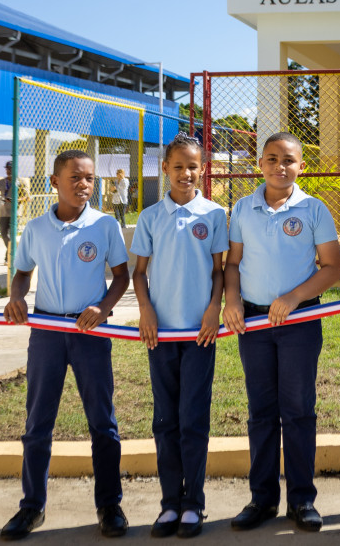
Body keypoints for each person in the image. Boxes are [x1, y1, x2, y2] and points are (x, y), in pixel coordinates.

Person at [0, 150, 131, 541]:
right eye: (75, 177)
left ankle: (109, 505)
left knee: (103, 423)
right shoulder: (36, 228)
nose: (84, 185)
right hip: (47, 333)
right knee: (38, 423)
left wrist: (103, 308)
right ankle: (31, 506)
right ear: (55, 182)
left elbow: (121, 277)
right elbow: (22, 274)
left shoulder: (104, 225)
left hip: (89, 334)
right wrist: (16, 297)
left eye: (89, 178)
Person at [223, 132, 340, 533]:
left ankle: (301, 499)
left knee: (297, 411)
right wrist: (233, 300)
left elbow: (333, 268)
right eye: (272, 159)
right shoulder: (243, 208)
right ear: (260, 164)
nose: (280, 167)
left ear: (301, 167)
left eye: (288, 160)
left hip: (299, 324)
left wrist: (293, 298)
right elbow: (233, 264)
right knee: (261, 412)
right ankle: (262, 499)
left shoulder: (313, 209)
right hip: (254, 325)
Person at [130, 135, 227, 539]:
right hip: (161, 337)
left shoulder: (215, 214)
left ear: (202, 169)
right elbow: (139, 273)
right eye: (178, 167)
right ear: (165, 169)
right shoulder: (151, 217)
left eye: (192, 166)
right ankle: (170, 503)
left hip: (201, 335)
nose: (185, 173)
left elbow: (219, 271)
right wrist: (146, 309)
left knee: (193, 418)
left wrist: (214, 307)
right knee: (165, 420)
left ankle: (193, 504)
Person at [0, 162, 30, 260]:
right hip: (4, 212)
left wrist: (15, 200)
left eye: (11, 168)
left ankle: (9, 257)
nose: (9, 171)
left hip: (15, 213)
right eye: (7, 169)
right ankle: (12, 251)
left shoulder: (21, 182)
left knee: (12, 234)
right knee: (4, 233)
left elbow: (27, 197)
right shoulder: (2, 182)